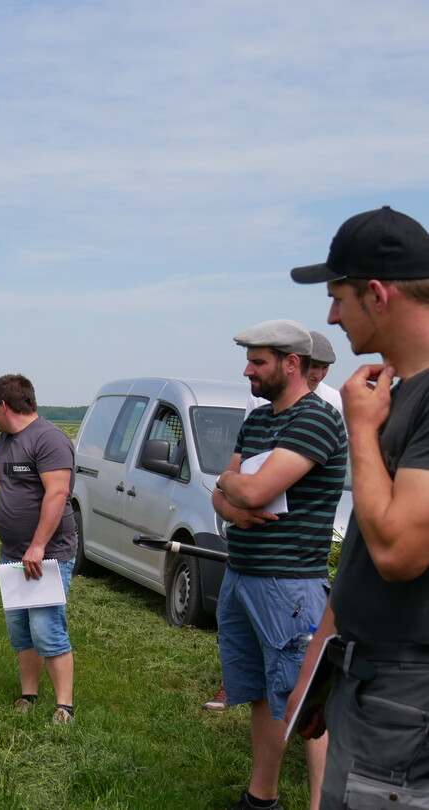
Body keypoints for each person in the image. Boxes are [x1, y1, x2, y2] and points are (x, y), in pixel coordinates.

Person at [288, 206, 429, 807]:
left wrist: (361, 432)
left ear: (377, 293)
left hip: (405, 689)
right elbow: (363, 562)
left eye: (338, 297)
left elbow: (399, 550)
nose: (330, 315)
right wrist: (319, 673)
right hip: (363, 672)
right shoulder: (397, 395)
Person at [212, 320, 347, 810]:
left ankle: (321, 803)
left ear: (291, 364)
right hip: (243, 575)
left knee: (305, 702)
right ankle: (260, 798)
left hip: (289, 586)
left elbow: (250, 488)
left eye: (258, 361)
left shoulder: (315, 419)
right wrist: (231, 499)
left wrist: (232, 488)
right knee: (263, 695)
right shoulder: (259, 420)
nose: (248, 370)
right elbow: (223, 493)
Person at [0, 373, 78, 724]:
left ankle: (64, 707)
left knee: (46, 628)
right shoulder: (6, 440)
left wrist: (38, 546)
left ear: (3, 405)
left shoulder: (49, 439)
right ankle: (28, 695)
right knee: (20, 630)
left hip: (46, 554)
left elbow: (57, 493)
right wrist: (8, 493)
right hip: (12, 553)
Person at [246, 330, 344, 416]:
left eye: (325, 367)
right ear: (294, 363)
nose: (318, 375)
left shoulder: (337, 402)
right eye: (313, 366)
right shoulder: (260, 398)